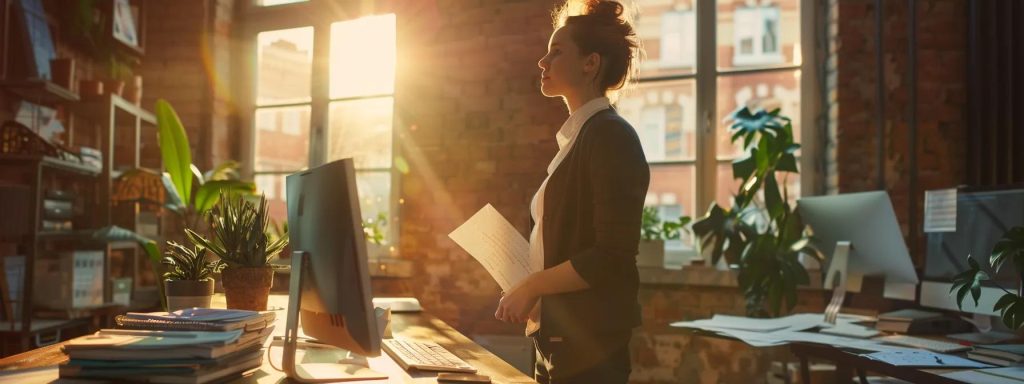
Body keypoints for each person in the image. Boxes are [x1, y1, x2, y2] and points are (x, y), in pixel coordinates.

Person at [493, 1, 648, 383]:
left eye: (556, 52)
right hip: (558, 340)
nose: (542, 62)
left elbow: (610, 255)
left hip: (589, 350)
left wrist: (532, 285)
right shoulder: (580, 138)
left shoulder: (611, 136)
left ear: (590, 63)